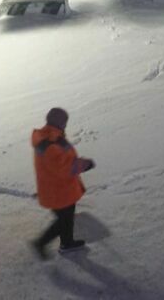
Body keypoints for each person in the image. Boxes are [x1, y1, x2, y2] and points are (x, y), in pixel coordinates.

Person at [30, 107, 95, 259]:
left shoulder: (49, 136)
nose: (66, 125)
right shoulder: (50, 144)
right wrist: (85, 164)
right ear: (60, 123)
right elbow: (63, 167)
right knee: (63, 221)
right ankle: (41, 243)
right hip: (59, 190)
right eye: (65, 122)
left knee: (66, 218)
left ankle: (67, 243)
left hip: (58, 188)